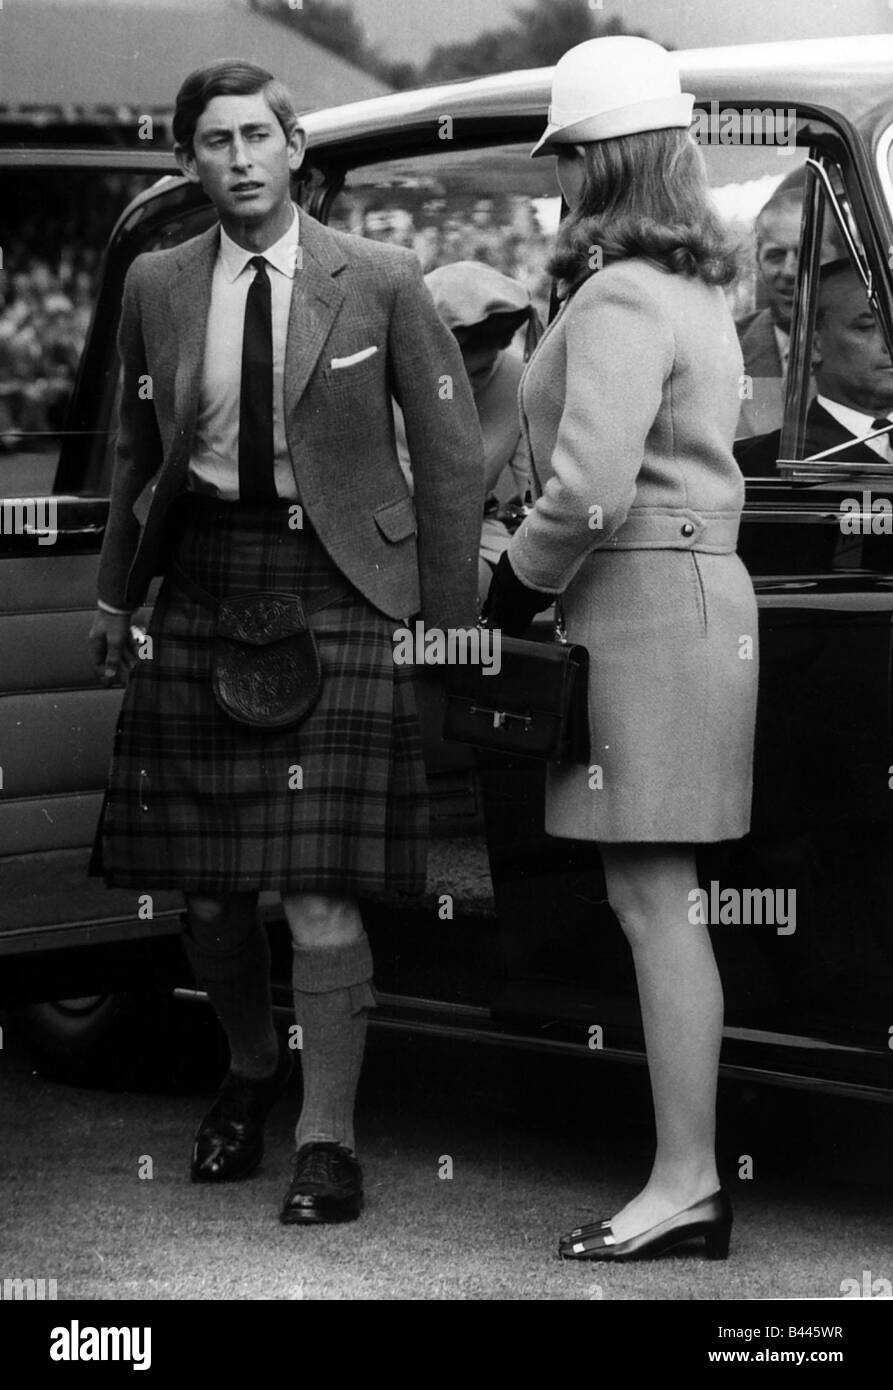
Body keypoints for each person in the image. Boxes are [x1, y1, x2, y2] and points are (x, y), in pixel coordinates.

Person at [88, 60, 483, 1226]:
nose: (240, 159)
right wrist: (116, 599)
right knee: (209, 900)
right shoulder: (157, 283)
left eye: (258, 135)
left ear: (295, 146)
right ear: (187, 160)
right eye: (214, 141)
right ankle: (253, 1066)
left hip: (343, 585)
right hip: (204, 582)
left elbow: (454, 458)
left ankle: (326, 1135)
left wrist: (449, 627)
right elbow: (132, 452)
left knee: (319, 892)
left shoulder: (383, 278)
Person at [483, 36, 759, 1262]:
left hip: (639, 602)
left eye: (568, 159)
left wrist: (507, 585)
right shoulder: (695, 287)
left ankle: (684, 1181)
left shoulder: (616, 295)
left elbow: (589, 491)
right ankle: (686, 1175)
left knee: (653, 905)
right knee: (663, 900)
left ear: (597, 161)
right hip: (695, 599)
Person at [393, 260, 534, 601]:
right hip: (392, 537)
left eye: (494, 349)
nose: (475, 373)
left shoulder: (517, 379)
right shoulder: (385, 373)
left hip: (474, 534)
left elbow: (534, 483)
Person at [736, 168, 840, 438]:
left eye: (807, 254)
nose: (790, 271)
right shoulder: (730, 348)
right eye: (775, 255)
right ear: (757, 262)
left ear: (839, 261)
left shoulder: (875, 347)